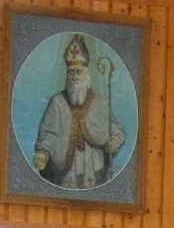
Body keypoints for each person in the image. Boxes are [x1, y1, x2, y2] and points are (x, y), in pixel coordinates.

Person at [34, 32, 126, 189]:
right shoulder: (56, 102)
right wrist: (42, 153)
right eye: (71, 72)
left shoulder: (101, 102)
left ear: (87, 75)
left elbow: (118, 132)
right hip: (65, 168)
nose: (74, 77)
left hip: (94, 165)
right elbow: (47, 135)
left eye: (78, 72)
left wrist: (114, 142)